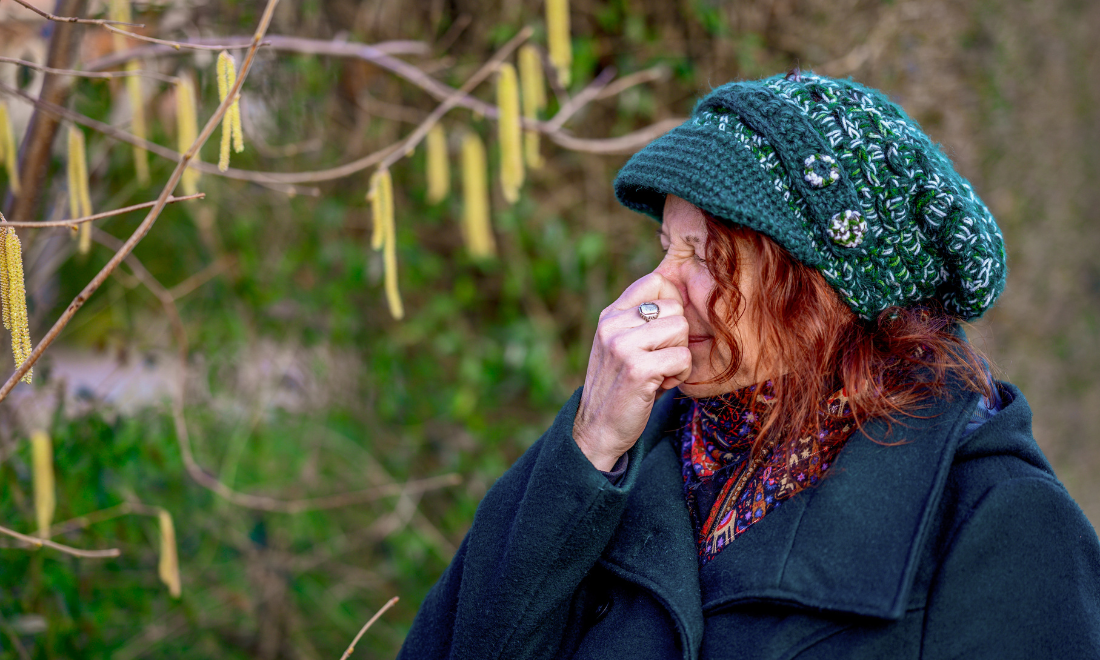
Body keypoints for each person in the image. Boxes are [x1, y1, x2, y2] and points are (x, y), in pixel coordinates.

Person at [396, 71, 1100, 659]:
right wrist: (588, 448)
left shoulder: (1001, 521)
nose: (658, 289)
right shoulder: (627, 449)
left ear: (823, 288)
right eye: (666, 246)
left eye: (705, 256)